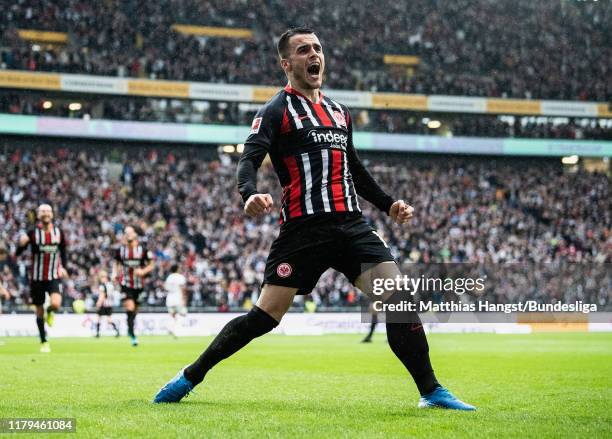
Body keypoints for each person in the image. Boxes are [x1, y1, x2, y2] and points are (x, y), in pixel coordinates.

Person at [154, 27, 475, 410]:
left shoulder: (340, 113)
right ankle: (190, 376)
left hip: (352, 225)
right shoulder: (276, 110)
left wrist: (388, 204)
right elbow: (249, 158)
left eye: (318, 48)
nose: (314, 55)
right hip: (303, 230)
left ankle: (431, 391)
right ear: (286, 63)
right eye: (304, 49)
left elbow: (353, 167)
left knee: (399, 300)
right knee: (264, 316)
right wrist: (249, 193)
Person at [15, 204, 68, 353]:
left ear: (52, 214)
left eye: (48, 211)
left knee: (56, 304)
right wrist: (20, 245)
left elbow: (63, 251)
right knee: (39, 310)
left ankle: (50, 312)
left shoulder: (59, 232)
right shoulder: (32, 233)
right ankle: (44, 341)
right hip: (37, 278)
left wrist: (64, 267)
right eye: (43, 211)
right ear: (38, 215)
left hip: (54, 275)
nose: (46, 213)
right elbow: (19, 252)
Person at [112, 226, 154, 346]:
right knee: (129, 308)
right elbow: (116, 263)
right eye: (125, 233)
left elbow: (151, 264)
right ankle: (132, 335)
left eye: (129, 232)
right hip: (125, 284)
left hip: (139, 285)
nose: (127, 234)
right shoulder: (121, 250)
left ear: (135, 234)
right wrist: (114, 273)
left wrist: (143, 271)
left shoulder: (143, 250)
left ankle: (130, 328)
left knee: (134, 311)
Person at [164, 264, 187, 338]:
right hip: (178, 297)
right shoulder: (180, 277)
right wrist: (184, 298)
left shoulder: (169, 277)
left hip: (170, 298)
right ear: (177, 269)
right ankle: (178, 330)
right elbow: (182, 288)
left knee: (172, 315)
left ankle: (171, 329)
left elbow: (166, 287)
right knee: (183, 314)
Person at [95, 270, 120, 338]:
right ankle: (117, 331)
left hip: (104, 305)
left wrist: (98, 303)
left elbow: (102, 296)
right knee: (109, 320)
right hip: (109, 304)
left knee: (99, 318)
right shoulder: (110, 285)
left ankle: (97, 333)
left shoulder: (102, 286)